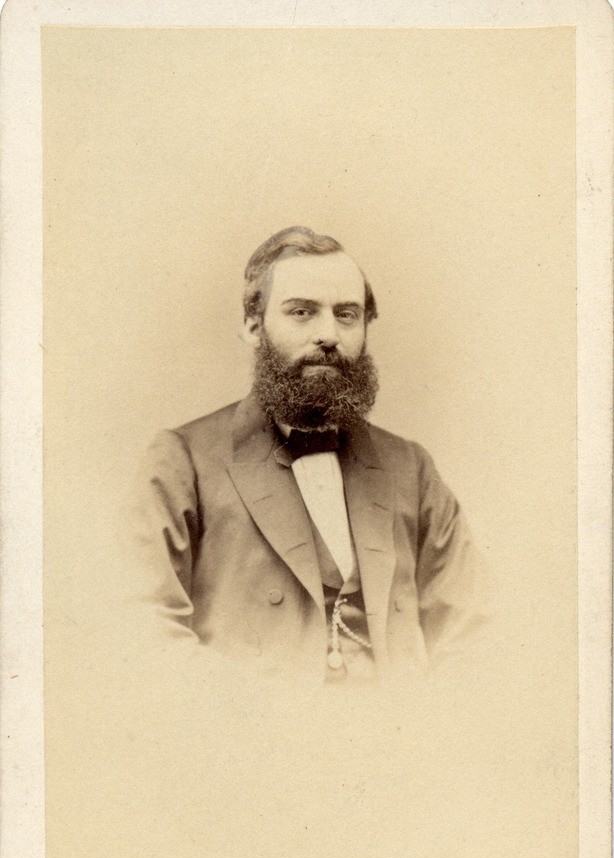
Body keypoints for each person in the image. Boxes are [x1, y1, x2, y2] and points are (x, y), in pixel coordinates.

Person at [130, 226, 487, 684]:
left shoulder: (410, 468)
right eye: (302, 312)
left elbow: (475, 632)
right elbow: (146, 631)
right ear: (253, 326)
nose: (328, 335)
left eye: (346, 315)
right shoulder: (183, 462)